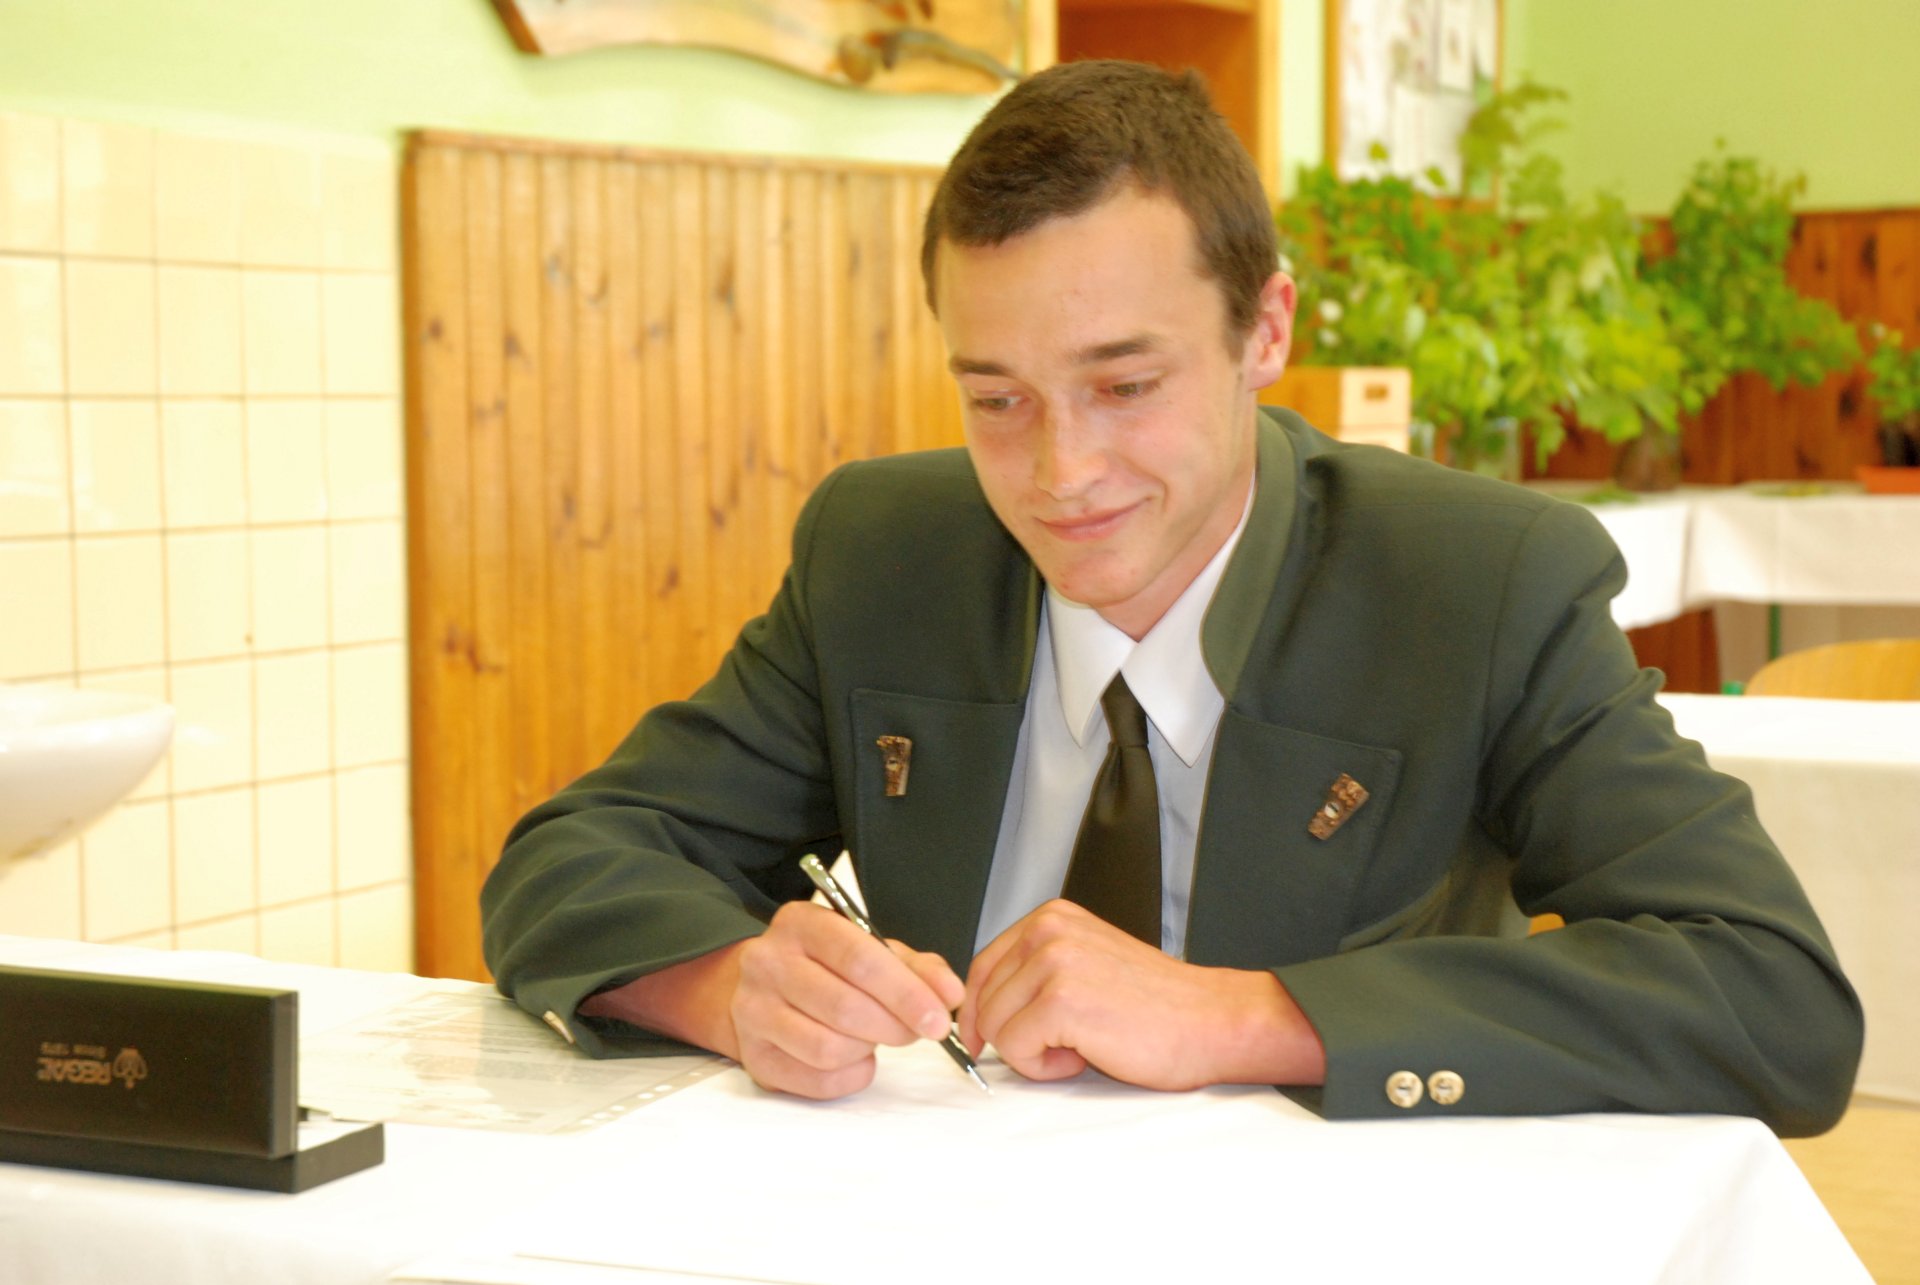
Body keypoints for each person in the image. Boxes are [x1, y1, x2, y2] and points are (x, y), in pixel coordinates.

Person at [480, 60, 1861, 1132]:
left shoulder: (1477, 583)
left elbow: (1772, 996)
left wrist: (1246, 1017)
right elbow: (570, 859)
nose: (1061, 472)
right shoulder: (884, 554)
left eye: (1126, 385)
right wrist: (729, 989)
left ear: (1266, 330)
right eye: (997, 399)